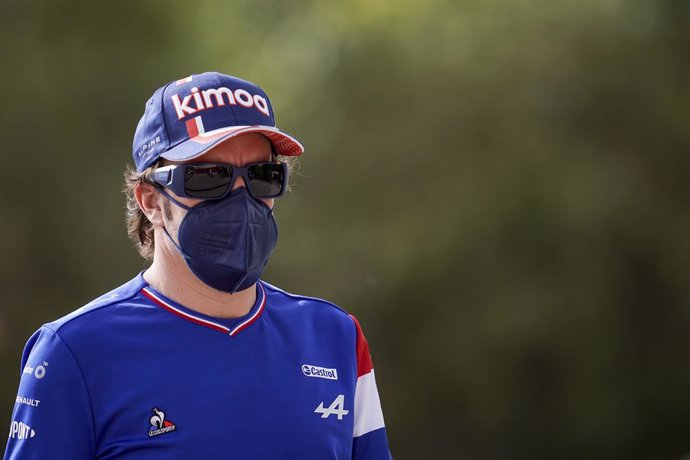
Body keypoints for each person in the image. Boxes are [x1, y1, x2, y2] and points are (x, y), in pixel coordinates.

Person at [4, 72, 392, 459]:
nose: (241, 198)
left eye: (263, 176)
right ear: (151, 201)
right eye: (209, 177)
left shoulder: (336, 337)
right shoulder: (72, 352)